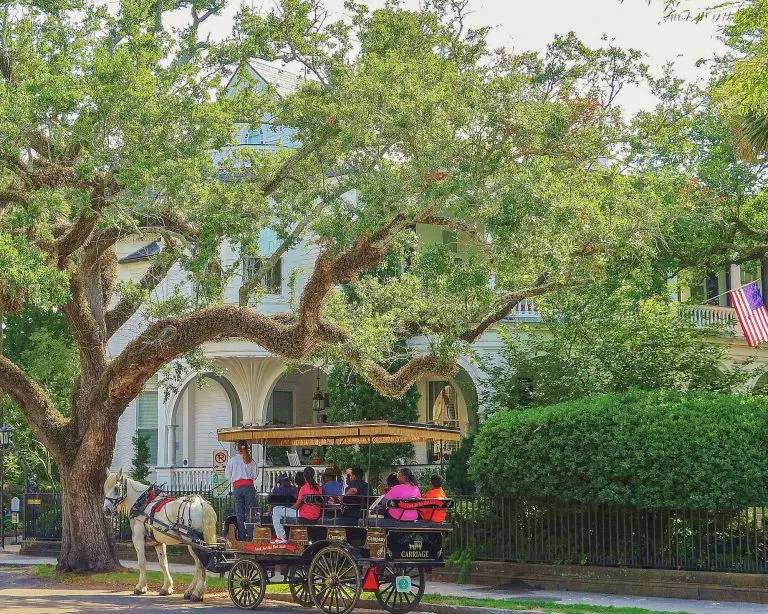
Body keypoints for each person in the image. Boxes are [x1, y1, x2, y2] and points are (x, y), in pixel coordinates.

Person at [271, 466, 322, 544]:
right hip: (315, 515)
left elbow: (296, 506)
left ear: (304, 476)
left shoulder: (303, 488)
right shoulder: (319, 487)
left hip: (304, 514)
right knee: (279, 509)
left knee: (276, 510)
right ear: (313, 475)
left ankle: (281, 537)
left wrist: (286, 509)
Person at [225, 441, 259, 541]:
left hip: (237, 487)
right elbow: (255, 475)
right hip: (248, 487)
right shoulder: (251, 460)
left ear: (237, 448)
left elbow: (227, 474)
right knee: (250, 511)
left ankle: (241, 535)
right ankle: (250, 535)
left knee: (240, 512)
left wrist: (233, 479)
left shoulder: (232, 460)